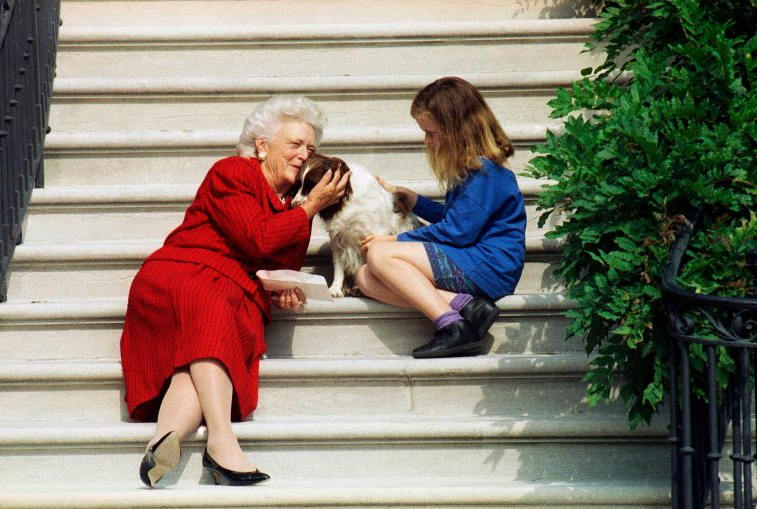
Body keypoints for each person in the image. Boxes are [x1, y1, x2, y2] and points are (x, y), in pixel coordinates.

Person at [120, 96, 349, 487]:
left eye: (310, 148)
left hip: (231, 294)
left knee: (198, 351)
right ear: (263, 146)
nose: (303, 155)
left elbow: (277, 269)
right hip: (183, 274)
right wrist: (311, 207)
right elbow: (258, 240)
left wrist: (286, 292)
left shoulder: (293, 206)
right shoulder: (234, 172)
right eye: (294, 144)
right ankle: (221, 441)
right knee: (212, 313)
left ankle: (166, 436)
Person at [357, 77, 526, 359]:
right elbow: (458, 220)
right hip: (472, 259)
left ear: (458, 129)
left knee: (381, 255)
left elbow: (458, 232)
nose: (428, 141)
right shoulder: (473, 170)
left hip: (489, 265)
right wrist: (416, 202)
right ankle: (468, 307)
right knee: (365, 277)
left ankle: (453, 328)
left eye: (432, 133)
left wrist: (394, 239)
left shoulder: (486, 172)